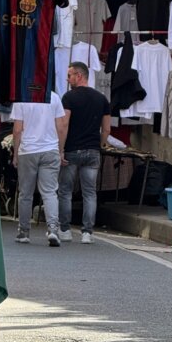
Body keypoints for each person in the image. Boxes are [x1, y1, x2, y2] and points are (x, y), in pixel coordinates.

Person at [58, 61, 111, 244]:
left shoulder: (69, 98)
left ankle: (64, 229)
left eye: (70, 75)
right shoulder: (101, 99)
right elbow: (106, 129)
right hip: (93, 151)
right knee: (90, 192)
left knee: (65, 191)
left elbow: (64, 125)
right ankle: (87, 232)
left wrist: (61, 149)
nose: (68, 78)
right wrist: (102, 144)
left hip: (72, 149)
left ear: (79, 76)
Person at [11, 92, 68, 245]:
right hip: (50, 150)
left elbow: (17, 130)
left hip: (28, 151)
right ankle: (53, 229)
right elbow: (61, 127)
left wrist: (15, 154)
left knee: (25, 193)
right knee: (49, 192)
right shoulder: (54, 97)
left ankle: (23, 232)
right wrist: (60, 149)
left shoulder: (22, 97)